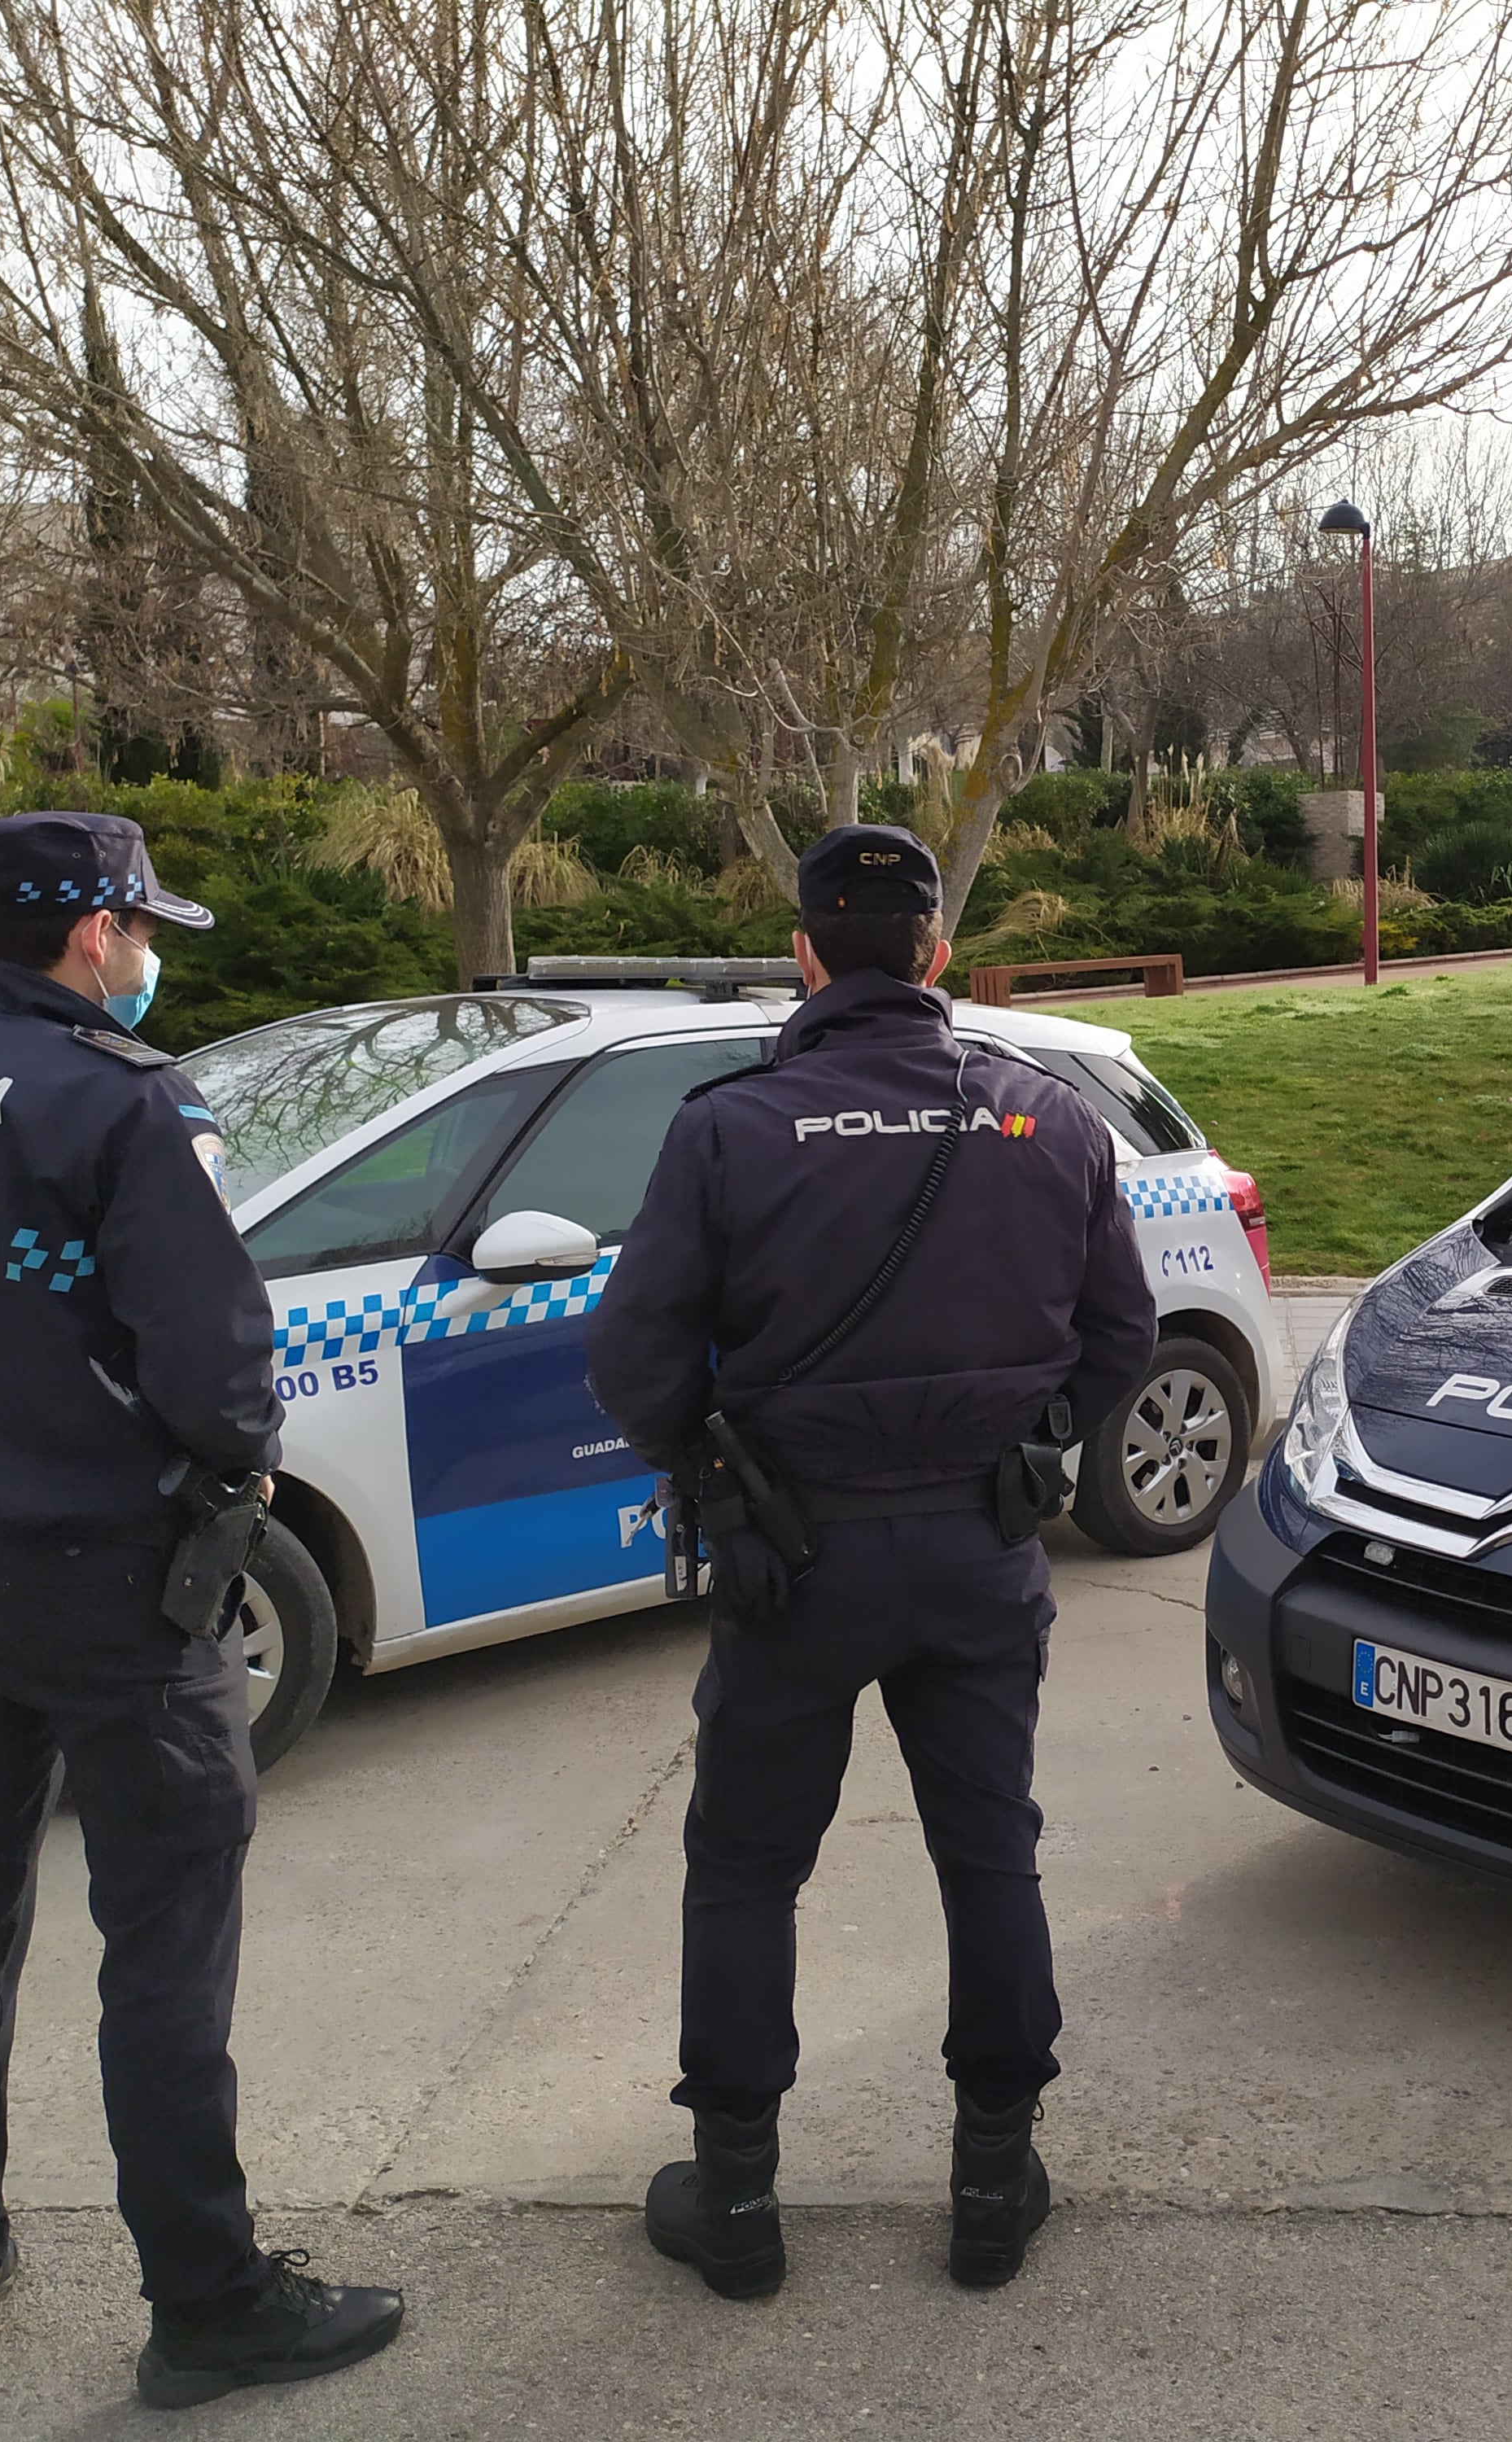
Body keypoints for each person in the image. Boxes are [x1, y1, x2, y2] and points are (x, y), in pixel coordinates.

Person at [0, 811, 404, 2408]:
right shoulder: (126, 1105)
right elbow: (215, 1364)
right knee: (161, 1951)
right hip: (115, 1591)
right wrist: (241, 1472)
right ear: (92, 937)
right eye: (142, 934)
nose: (147, 963)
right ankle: (206, 2302)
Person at [588, 821, 1159, 2300]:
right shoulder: (1053, 1118)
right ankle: (990, 2184)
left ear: (802, 954)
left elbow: (634, 1358)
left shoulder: (728, 1126)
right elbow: (1122, 1344)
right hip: (979, 1545)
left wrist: (708, 1463)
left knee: (747, 1868)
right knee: (990, 1853)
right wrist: (1036, 1448)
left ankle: (736, 2202)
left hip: (797, 1557)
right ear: (937, 955)